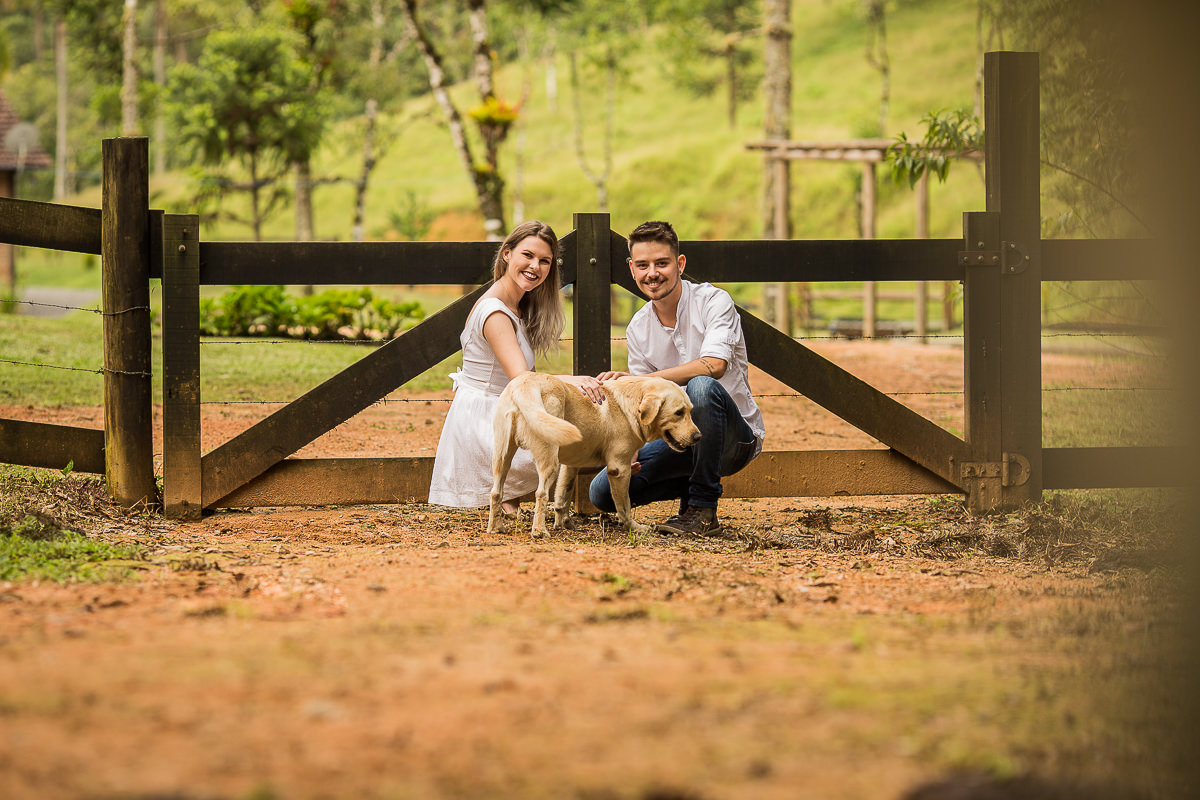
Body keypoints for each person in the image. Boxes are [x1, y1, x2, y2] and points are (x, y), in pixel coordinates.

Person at [589, 220, 765, 536]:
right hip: (678, 441)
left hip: (733, 439)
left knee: (700, 387)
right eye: (642, 265)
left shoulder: (714, 302)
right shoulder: (638, 328)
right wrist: (631, 451)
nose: (652, 273)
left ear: (679, 264)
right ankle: (691, 485)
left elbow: (714, 366)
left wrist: (643, 379)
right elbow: (644, 408)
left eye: (661, 263)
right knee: (601, 491)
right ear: (632, 269)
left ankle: (701, 509)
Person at [428, 220, 603, 511]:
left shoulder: (517, 306)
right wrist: (572, 380)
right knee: (573, 439)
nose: (535, 266)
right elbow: (522, 378)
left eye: (544, 261)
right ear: (507, 254)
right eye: (528, 255)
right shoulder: (495, 311)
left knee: (583, 426)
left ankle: (621, 458)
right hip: (485, 420)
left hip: (506, 406)